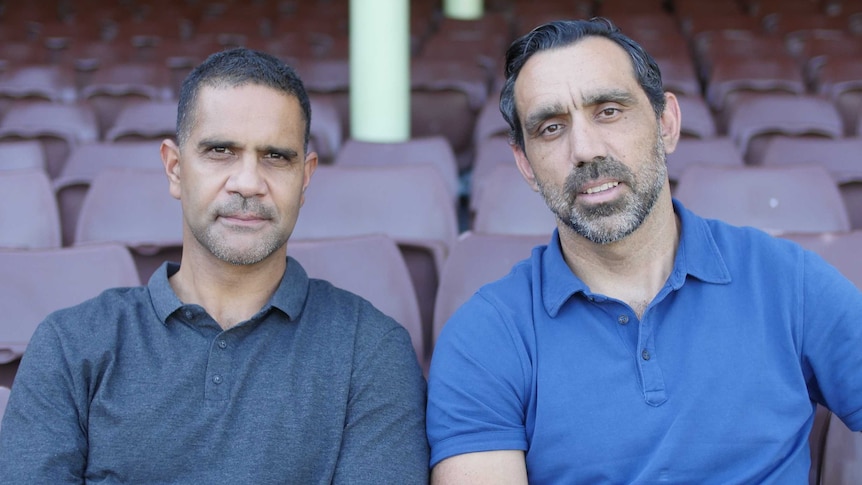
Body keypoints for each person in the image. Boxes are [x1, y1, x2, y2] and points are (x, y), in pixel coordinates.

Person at [426, 18, 862, 484]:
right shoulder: (485, 336)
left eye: (609, 111)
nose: (585, 149)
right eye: (551, 128)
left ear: (666, 123)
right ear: (525, 165)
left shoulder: (785, 280)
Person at [0, 48, 429, 483]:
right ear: (174, 168)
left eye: (275, 156)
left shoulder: (372, 350)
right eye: (221, 150)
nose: (247, 182)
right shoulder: (69, 346)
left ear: (305, 178)